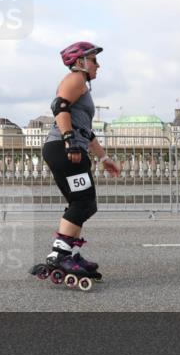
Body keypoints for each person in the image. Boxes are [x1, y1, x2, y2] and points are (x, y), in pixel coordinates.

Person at [31, 41, 121, 285]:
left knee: (82, 202)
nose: (98, 65)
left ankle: (69, 253)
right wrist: (69, 141)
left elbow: (86, 130)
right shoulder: (76, 79)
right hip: (64, 149)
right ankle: (60, 255)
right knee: (83, 202)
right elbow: (59, 106)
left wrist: (104, 158)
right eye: (94, 60)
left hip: (71, 148)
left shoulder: (83, 86)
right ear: (80, 61)